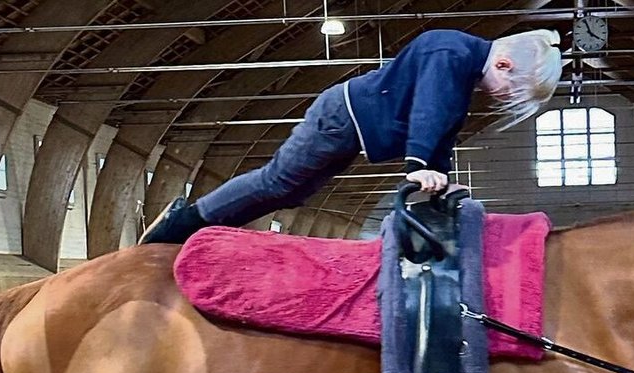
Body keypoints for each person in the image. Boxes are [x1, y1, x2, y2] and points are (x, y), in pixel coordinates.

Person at [140, 28, 563, 244]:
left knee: (291, 195)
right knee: (277, 181)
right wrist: (417, 168)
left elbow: (445, 130)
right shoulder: (449, 52)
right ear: (505, 64)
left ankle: (206, 231)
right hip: (341, 116)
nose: (504, 99)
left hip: (352, 128)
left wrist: (442, 176)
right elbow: (429, 110)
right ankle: (182, 223)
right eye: (513, 92)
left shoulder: (464, 69)